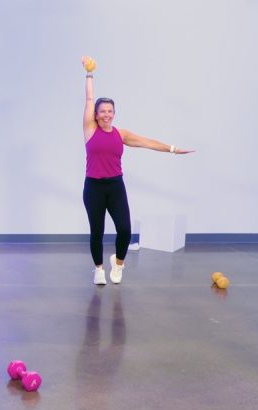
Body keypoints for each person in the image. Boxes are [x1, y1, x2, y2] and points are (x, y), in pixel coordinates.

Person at [81, 56, 193, 285]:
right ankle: (99, 269)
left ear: (114, 113)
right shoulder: (90, 129)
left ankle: (118, 263)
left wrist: (173, 149)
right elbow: (89, 98)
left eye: (110, 111)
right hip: (93, 187)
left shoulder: (120, 134)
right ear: (96, 114)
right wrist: (89, 73)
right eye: (102, 111)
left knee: (124, 230)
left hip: (115, 186)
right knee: (97, 231)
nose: (106, 114)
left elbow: (147, 142)